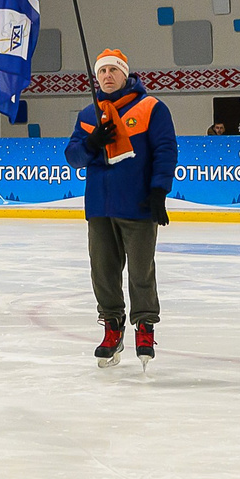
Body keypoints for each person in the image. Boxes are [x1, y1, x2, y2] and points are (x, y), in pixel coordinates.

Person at [62, 49, 177, 367]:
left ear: (125, 74)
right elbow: (73, 157)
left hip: (137, 204)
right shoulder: (89, 114)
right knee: (102, 272)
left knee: (141, 271)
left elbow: (165, 149)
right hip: (100, 207)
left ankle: (144, 325)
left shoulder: (151, 108)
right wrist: (91, 143)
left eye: (114, 70)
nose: (107, 76)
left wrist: (158, 191)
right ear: (96, 77)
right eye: (102, 71)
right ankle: (112, 326)